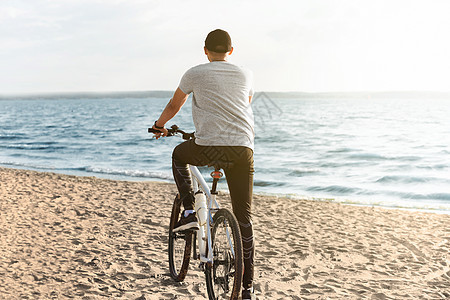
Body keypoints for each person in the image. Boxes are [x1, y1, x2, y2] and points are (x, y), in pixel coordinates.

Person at [152, 29, 256, 299]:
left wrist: (159, 126)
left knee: (178, 155)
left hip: (207, 145)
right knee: (244, 218)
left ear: (205, 50)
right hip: (243, 148)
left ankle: (188, 210)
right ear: (231, 51)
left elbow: (175, 103)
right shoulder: (245, 74)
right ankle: (247, 287)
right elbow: (245, 102)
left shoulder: (194, 73)